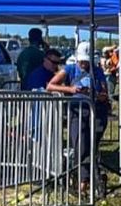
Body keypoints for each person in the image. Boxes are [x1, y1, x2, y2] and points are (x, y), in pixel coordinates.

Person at [47, 41, 110, 196]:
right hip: (77, 112)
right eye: (82, 61)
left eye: (86, 62)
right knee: (80, 146)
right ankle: (81, 181)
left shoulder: (97, 71)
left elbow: (104, 93)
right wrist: (71, 89)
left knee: (92, 146)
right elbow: (50, 86)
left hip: (95, 111)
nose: (84, 64)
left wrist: (97, 95)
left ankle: (90, 180)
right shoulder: (69, 69)